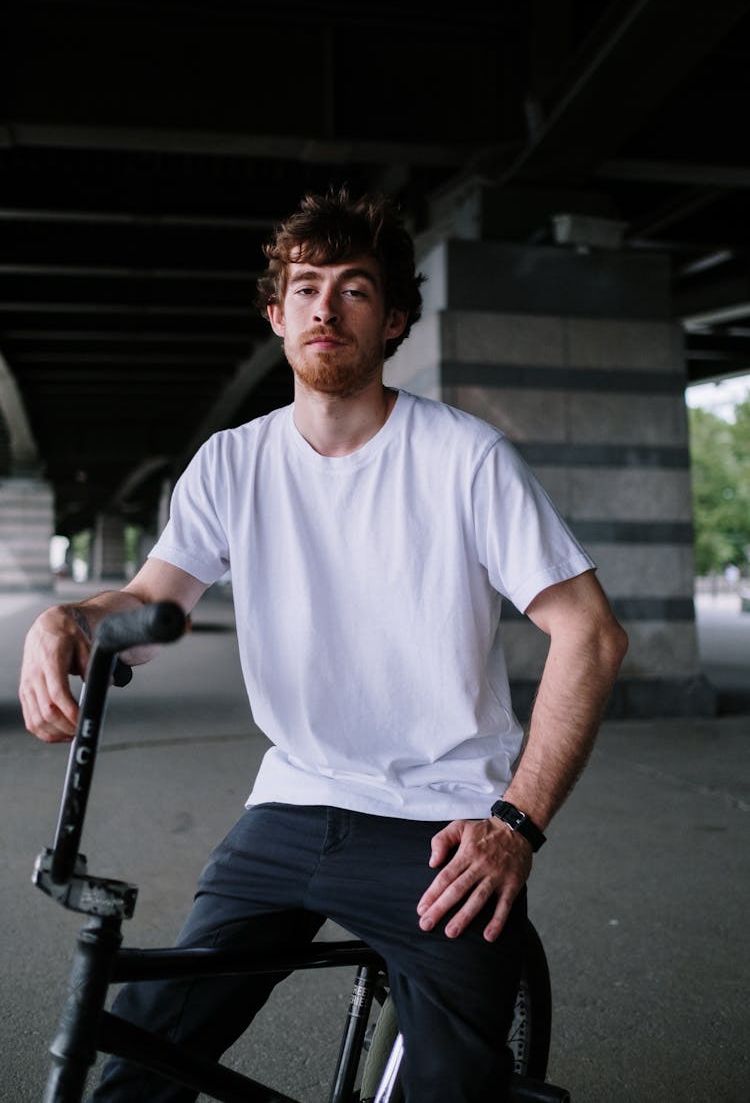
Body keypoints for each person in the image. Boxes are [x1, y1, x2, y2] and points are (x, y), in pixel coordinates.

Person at [20, 187, 628, 1102]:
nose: (325, 306)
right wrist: (66, 620)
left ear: (393, 321)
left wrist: (515, 824)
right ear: (276, 314)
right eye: (306, 287)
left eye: (353, 288)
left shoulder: (463, 457)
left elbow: (591, 632)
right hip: (295, 798)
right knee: (138, 1051)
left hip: (444, 817)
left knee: (451, 1086)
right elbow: (153, 603)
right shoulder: (233, 462)